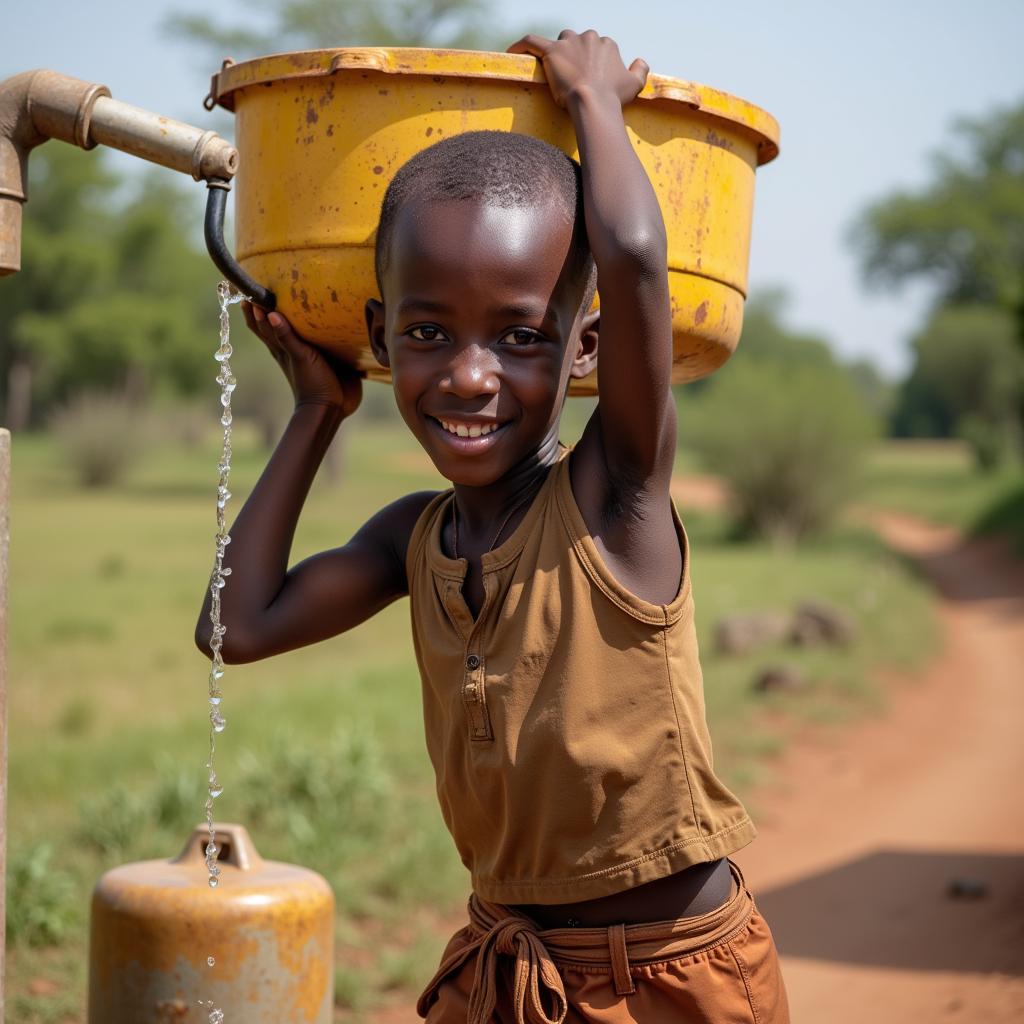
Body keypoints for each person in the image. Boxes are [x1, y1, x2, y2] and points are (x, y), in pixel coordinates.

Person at [197, 28, 789, 1024]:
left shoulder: (615, 496)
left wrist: (595, 102)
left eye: (520, 337)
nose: (469, 375)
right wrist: (316, 412)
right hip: (507, 975)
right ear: (384, 335)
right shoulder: (410, 540)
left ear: (584, 347)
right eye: (428, 333)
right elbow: (235, 625)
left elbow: (639, 263)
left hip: (672, 982)